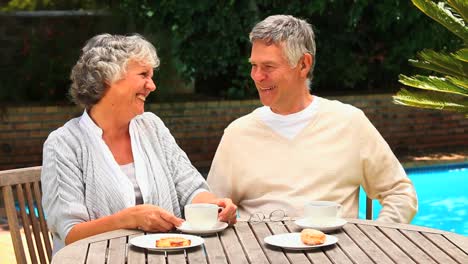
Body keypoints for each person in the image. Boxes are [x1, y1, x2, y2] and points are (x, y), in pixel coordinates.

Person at [207, 15, 417, 223]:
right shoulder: (238, 133)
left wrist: (376, 238)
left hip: (337, 254)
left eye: (268, 67)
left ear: (303, 64)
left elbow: (400, 193)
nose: (257, 76)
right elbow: (212, 208)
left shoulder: (349, 123)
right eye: (254, 65)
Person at [41, 34, 237, 254]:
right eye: (144, 74)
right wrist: (129, 219)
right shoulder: (64, 144)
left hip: (165, 257)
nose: (152, 86)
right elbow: (71, 234)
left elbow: (190, 186)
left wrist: (213, 206)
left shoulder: (152, 126)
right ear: (108, 77)